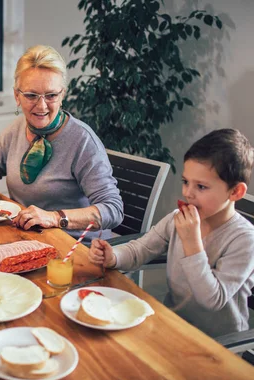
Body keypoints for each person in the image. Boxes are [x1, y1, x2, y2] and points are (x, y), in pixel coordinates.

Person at [89, 129, 254, 338]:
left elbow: (213, 300)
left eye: (201, 186)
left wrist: (192, 243)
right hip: (174, 324)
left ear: (235, 192)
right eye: (186, 182)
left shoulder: (245, 239)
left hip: (218, 344)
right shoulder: (177, 219)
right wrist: (113, 256)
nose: (187, 193)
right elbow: (141, 249)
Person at [0, 45, 123, 240]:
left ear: (62, 95)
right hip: (28, 238)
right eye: (31, 95)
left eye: (51, 95)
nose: (41, 105)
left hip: (77, 248)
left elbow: (113, 210)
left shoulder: (83, 141)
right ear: (17, 96)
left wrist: (54, 217)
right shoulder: (16, 129)